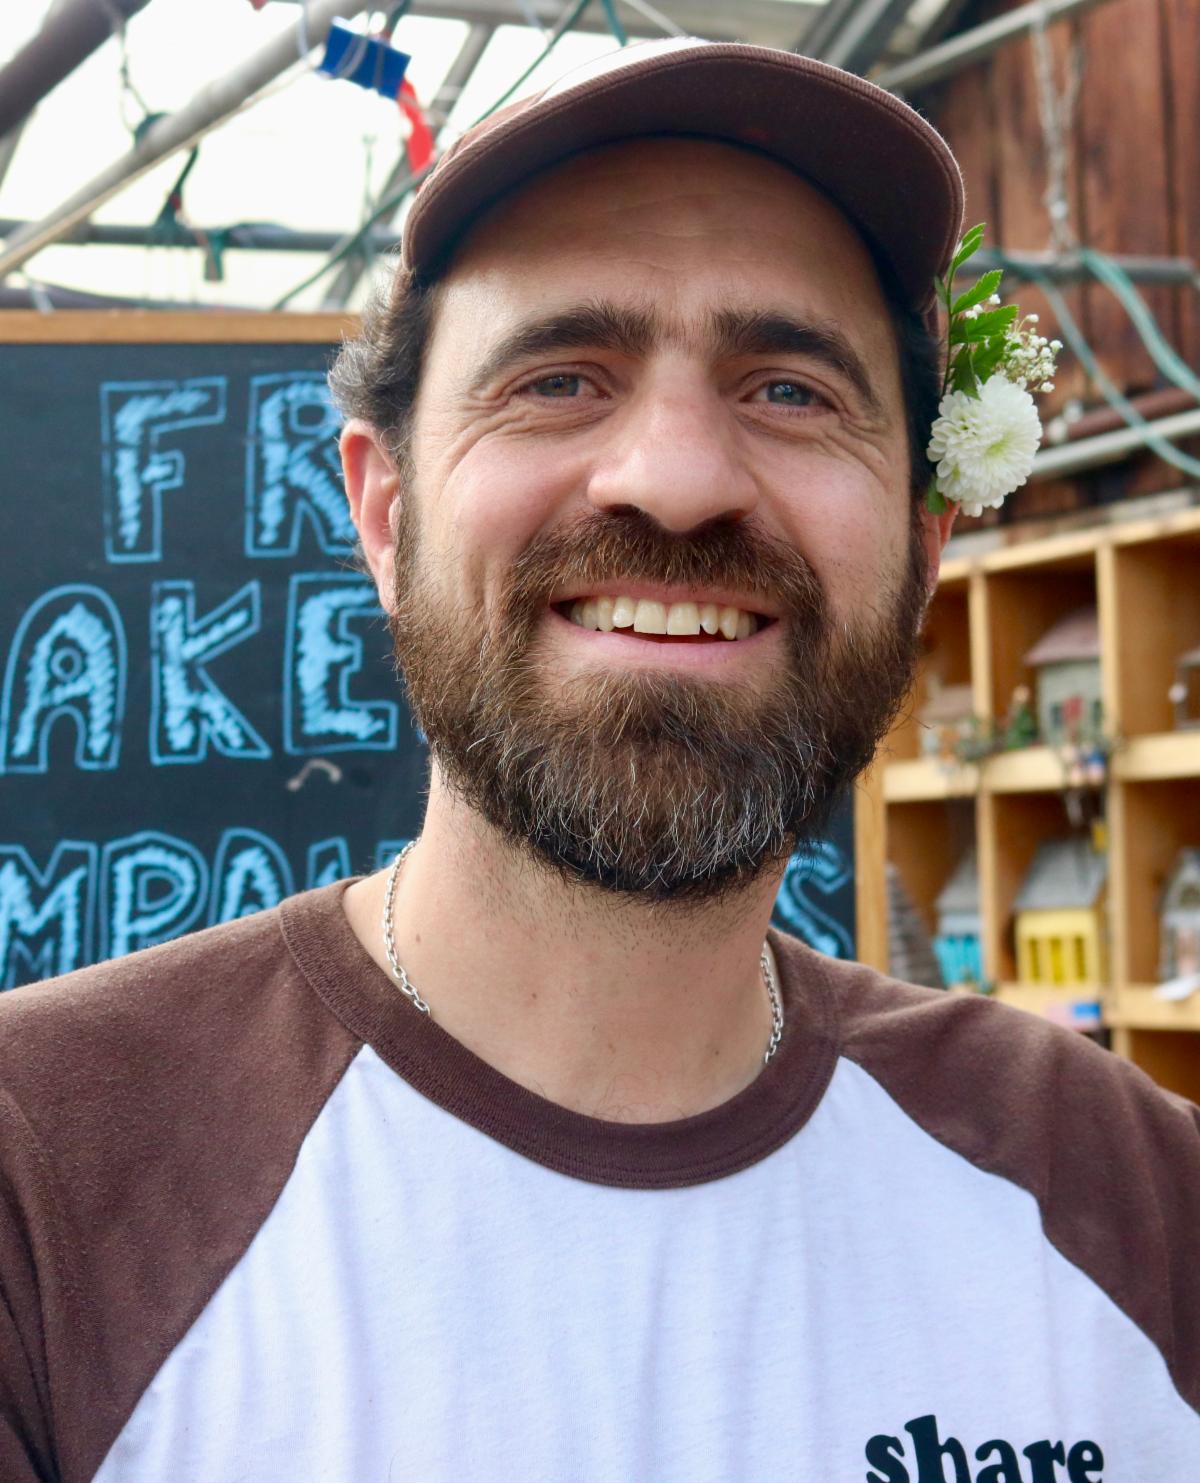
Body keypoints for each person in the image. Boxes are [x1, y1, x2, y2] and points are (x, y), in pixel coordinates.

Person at [1, 38, 1197, 1483]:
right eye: (560, 378)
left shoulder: (1135, 1200)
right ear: (385, 516)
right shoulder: (43, 1190)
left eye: (791, 391)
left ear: (922, 545)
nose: (678, 481)